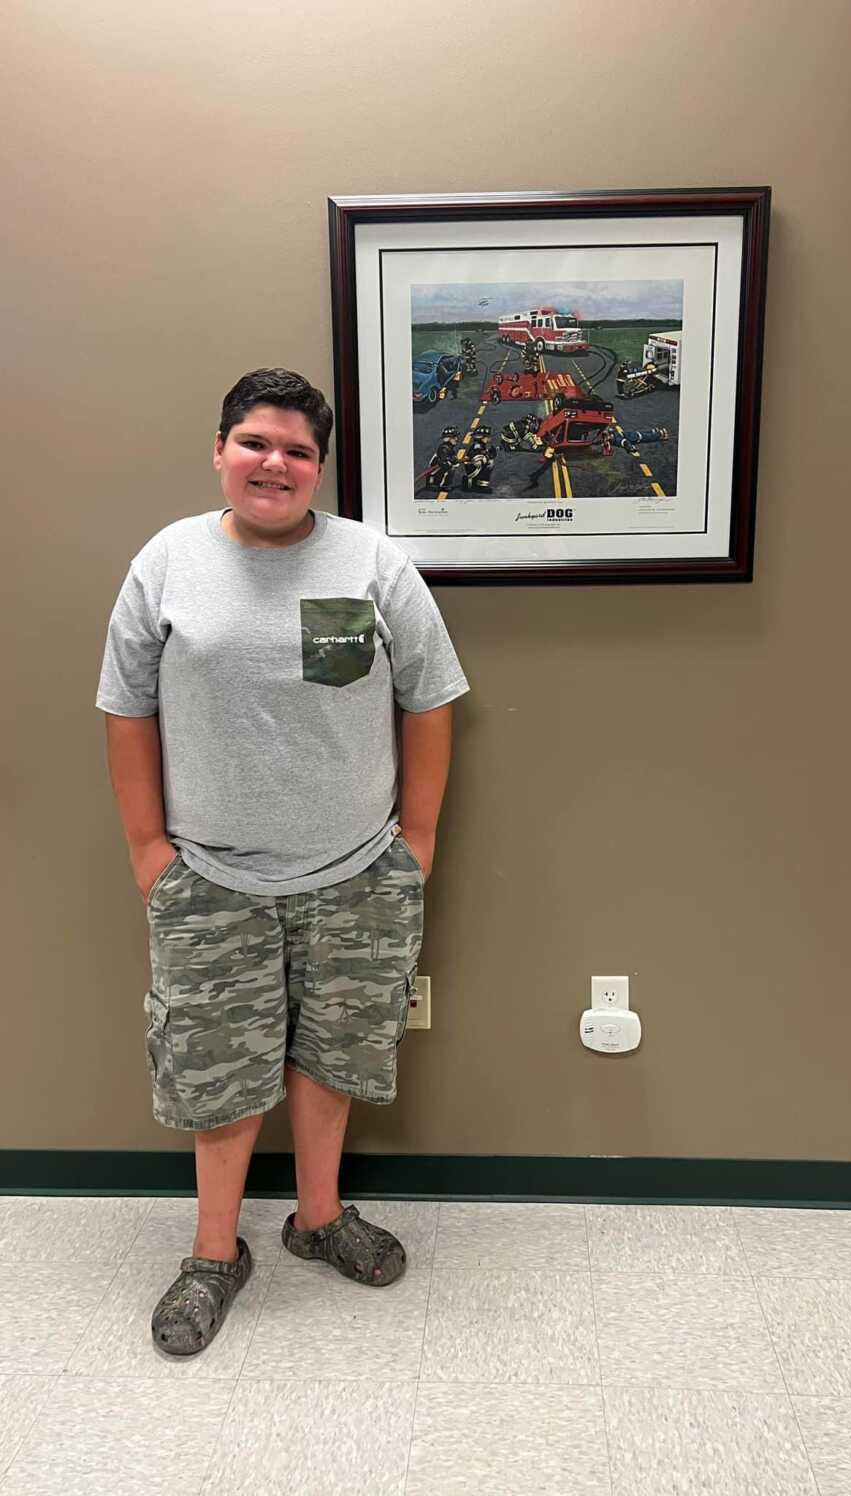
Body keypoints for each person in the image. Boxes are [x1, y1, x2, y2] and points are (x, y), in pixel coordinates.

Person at [96, 368, 468, 1356]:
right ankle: (215, 1251)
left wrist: (416, 841)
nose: (276, 463)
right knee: (218, 1076)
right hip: (210, 878)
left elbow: (431, 698)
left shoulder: (374, 562)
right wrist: (149, 850)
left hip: (357, 873)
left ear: (319, 466)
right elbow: (126, 709)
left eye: (299, 450)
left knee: (332, 1056)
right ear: (221, 450)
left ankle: (316, 1216)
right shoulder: (167, 561)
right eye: (256, 442)